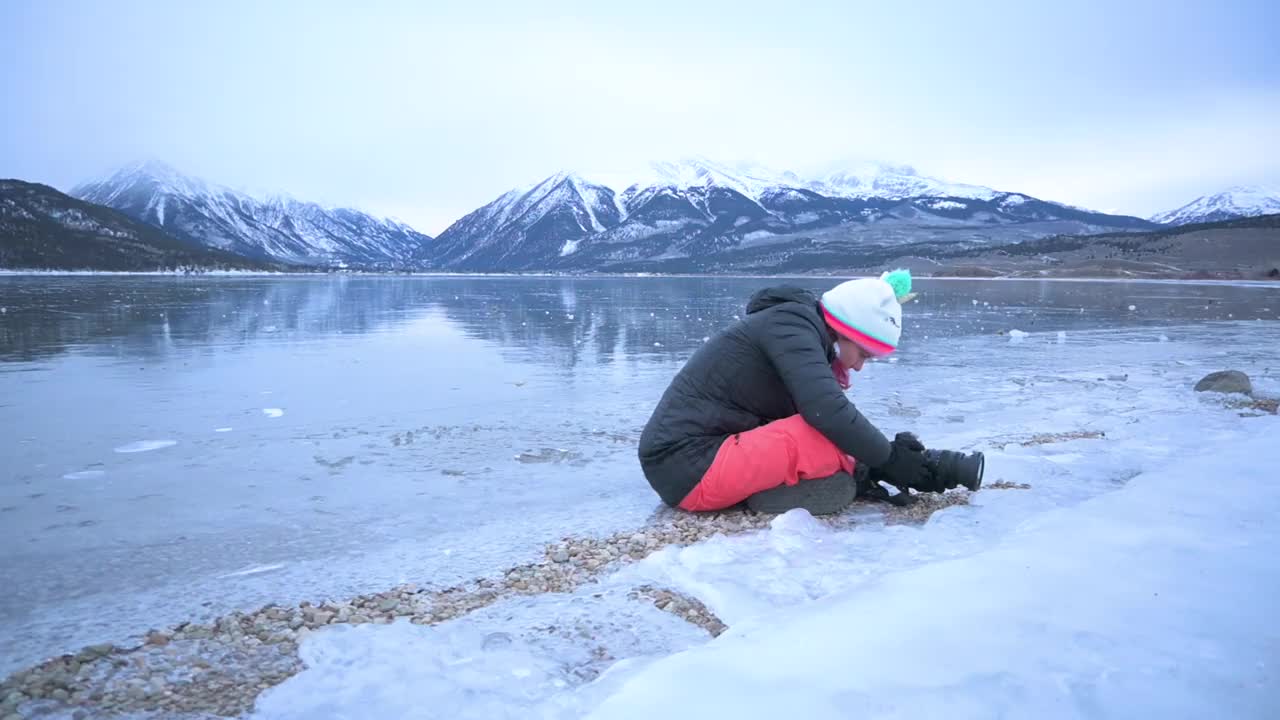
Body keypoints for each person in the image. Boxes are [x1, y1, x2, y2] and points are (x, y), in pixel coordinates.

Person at [638, 269, 952, 515]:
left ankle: (847, 480)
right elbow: (825, 412)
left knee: (828, 437)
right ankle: (830, 485)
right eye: (864, 354)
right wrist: (889, 457)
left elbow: (822, 413)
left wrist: (880, 457)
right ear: (846, 331)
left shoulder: (799, 331)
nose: (859, 367)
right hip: (685, 467)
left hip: (696, 464)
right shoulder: (791, 327)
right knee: (816, 433)